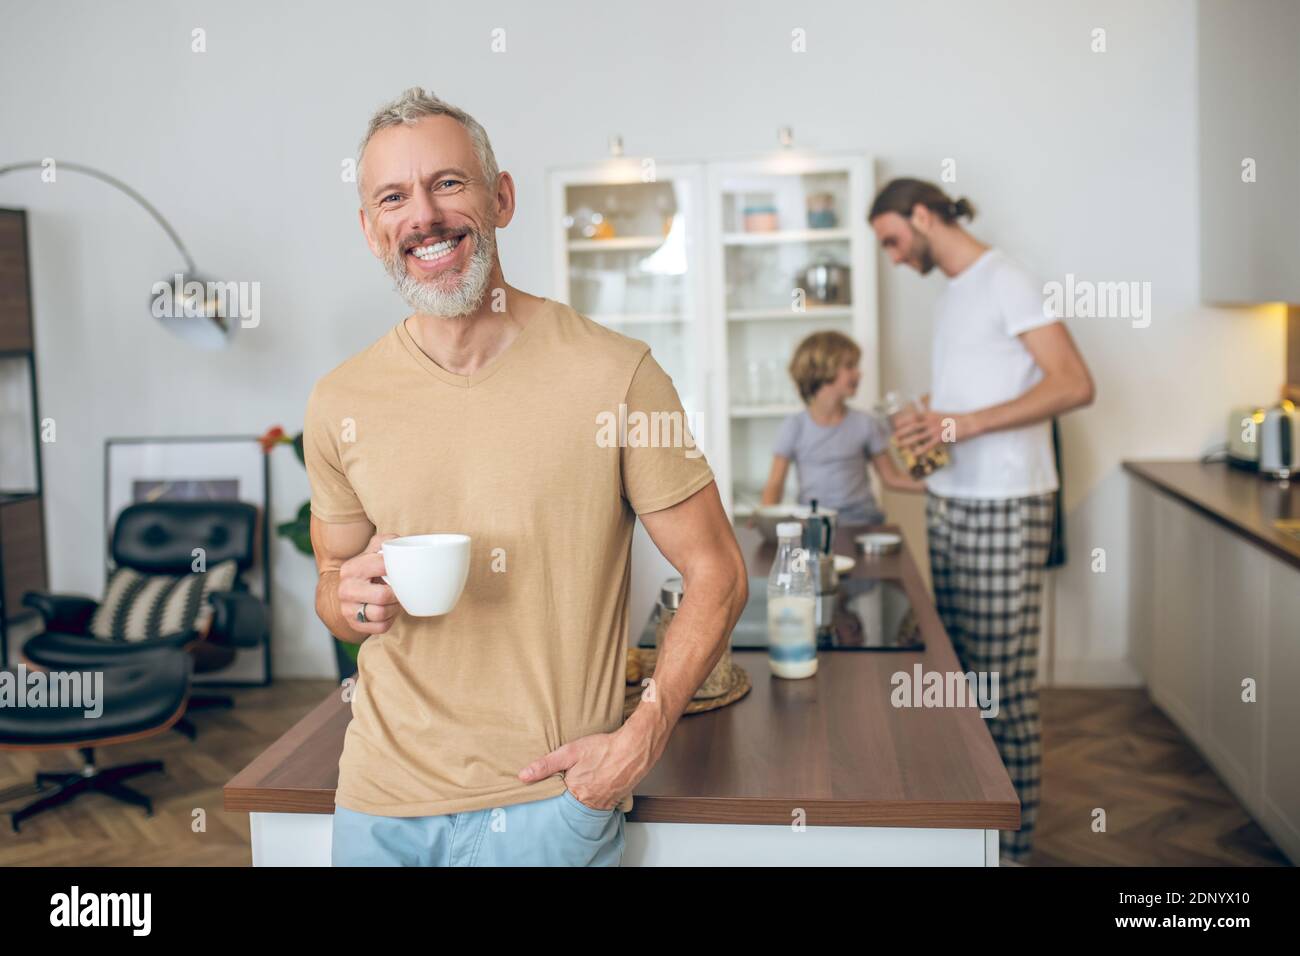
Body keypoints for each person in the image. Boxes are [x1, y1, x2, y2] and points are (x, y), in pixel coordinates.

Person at [304, 87, 748, 866]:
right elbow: (332, 586)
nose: (425, 216)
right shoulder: (340, 399)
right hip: (378, 805)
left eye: (448, 183)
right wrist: (348, 599)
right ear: (373, 231)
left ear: (500, 197)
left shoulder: (618, 374)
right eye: (394, 197)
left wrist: (638, 741)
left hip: (550, 807)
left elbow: (717, 571)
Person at [868, 178, 1095, 863]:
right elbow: (979, 392)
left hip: (1005, 504)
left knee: (1002, 686)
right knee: (961, 676)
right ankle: (977, 843)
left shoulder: (1008, 279)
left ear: (923, 214)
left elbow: (1074, 383)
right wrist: (927, 415)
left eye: (893, 240)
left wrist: (960, 422)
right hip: (955, 502)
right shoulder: (955, 294)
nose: (894, 256)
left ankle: (1015, 848)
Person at [760, 330, 923, 525]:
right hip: (812, 524)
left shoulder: (866, 423)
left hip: (862, 522)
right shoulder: (794, 427)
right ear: (822, 370)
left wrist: (940, 487)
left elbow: (892, 478)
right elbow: (774, 485)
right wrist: (765, 518)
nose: (859, 373)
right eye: (850, 366)